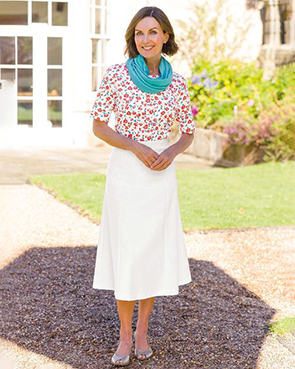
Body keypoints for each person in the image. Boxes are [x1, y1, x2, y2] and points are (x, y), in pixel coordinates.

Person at [89, 6, 196, 367]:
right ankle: (122, 334)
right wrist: (136, 146)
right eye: (139, 33)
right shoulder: (117, 75)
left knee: (151, 254)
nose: (146, 39)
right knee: (128, 253)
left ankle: (143, 331)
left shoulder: (178, 82)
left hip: (160, 177)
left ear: (166, 36)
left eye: (153, 32)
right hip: (127, 173)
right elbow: (100, 127)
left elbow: (188, 133)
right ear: (133, 39)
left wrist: (171, 152)